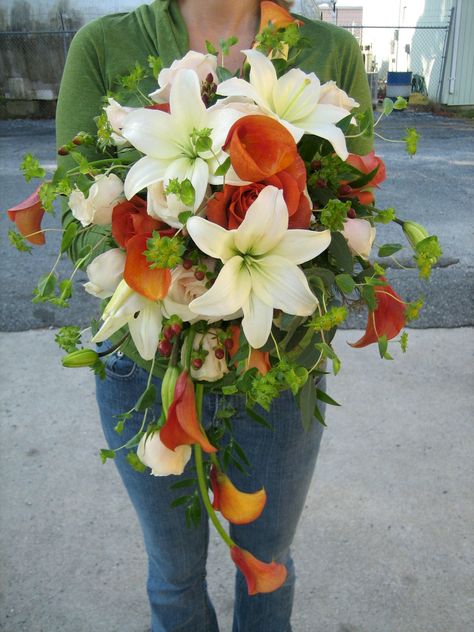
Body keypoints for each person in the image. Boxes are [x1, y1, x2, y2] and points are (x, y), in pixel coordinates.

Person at [56, 1, 373, 630]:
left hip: (277, 366)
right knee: (172, 579)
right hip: (149, 367)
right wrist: (174, 263)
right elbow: (80, 208)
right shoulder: (101, 44)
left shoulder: (329, 48)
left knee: (266, 562)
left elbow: (353, 201)